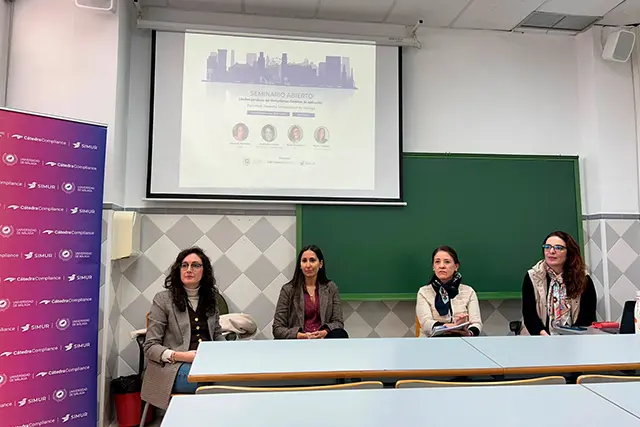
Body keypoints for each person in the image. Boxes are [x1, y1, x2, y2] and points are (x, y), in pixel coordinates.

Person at [141, 247, 224, 410]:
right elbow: (150, 347)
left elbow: (217, 335)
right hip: (174, 367)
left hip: (209, 362)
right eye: (184, 265)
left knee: (234, 378)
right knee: (209, 383)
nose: (189, 269)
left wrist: (231, 351)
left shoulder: (211, 299)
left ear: (204, 271)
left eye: (195, 265)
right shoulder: (163, 299)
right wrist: (182, 356)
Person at [521, 231, 597, 335]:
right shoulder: (532, 276)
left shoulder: (583, 279)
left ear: (569, 252)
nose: (551, 251)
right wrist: (546, 338)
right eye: (547, 247)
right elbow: (529, 315)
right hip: (540, 338)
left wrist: (571, 338)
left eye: (558, 248)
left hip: (575, 339)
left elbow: (587, 317)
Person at [273, 245, 348, 339]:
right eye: (304, 261)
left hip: (323, 340)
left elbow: (338, 322)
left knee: (340, 333)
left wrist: (324, 332)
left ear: (320, 264)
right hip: (297, 341)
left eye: (312, 260)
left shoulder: (331, 288)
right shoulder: (288, 290)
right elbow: (277, 328)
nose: (308, 265)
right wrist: (301, 335)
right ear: (300, 265)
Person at [416, 246, 482, 337]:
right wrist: (446, 327)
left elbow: (476, 323)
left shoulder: (468, 291)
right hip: (432, 341)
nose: (442, 266)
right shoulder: (424, 292)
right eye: (437, 262)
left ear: (456, 266)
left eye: (447, 262)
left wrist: (469, 332)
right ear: (433, 267)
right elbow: (426, 323)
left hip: (462, 339)